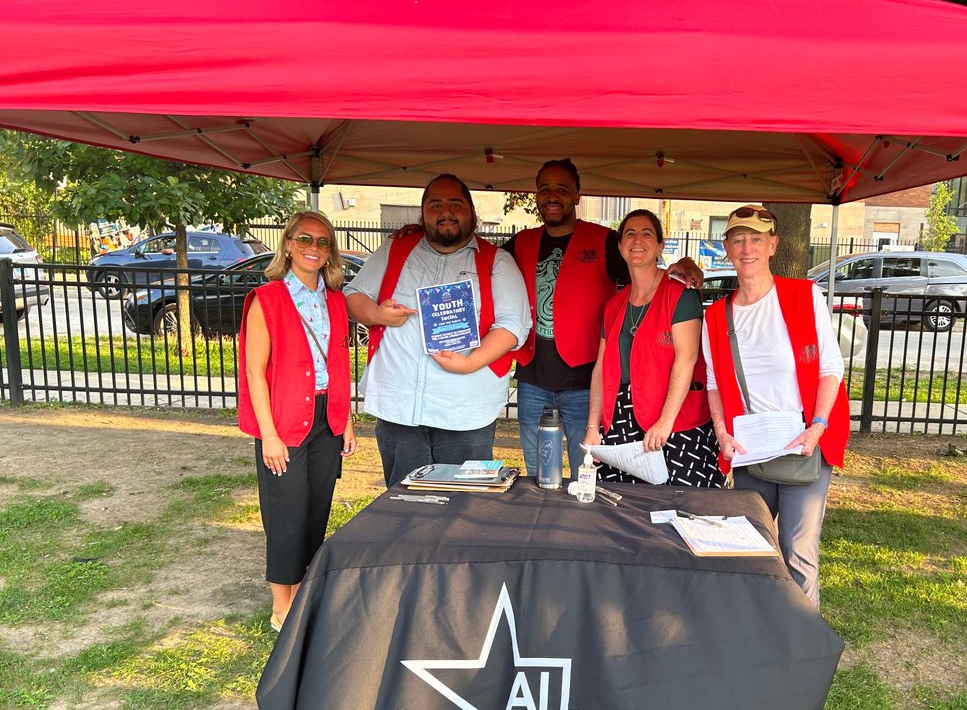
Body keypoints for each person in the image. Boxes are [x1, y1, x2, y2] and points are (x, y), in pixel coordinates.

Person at [504, 159, 702, 479]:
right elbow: (481, 263)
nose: (552, 196)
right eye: (544, 189)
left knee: (585, 473)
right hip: (532, 378)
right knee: (537, 474)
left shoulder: (605, 240)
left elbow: (644, 264)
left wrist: (686, 263)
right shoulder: (520, 242)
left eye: (562, 189)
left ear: (577, 195)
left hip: (584, 383)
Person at [701, 205, 850, 607]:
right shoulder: (715, 317)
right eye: (737, 239)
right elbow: (714, 382)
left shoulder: (804, 296)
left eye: (755, 239)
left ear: (772, 245)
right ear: (727, 249)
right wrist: (721, 432)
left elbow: (830, 367)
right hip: (752, 449)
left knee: (798, 551)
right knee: (753, 546)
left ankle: (801, 644)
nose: (746, 248)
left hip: (804, 443)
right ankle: (761, 630)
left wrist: (817, 425)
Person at [346, 174, 531, 487]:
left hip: (466, 412)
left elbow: (513, 326)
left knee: (463, 508)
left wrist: (469, 363)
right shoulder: (396, 249)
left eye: (455, 204)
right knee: (402, 504)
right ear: (422, 214)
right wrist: (378, 314)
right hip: (400, 408)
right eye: (435, 204)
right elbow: (353, 295)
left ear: (472, 212)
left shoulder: (496, 261)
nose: (446, 211)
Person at [237, 210, 357, 632]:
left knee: (316, 506)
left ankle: (305, 588)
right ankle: (281, 605)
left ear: (330, 253)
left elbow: (340, 361)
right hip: (284, 419)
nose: (313, 248)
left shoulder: (336, 300)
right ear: (287, 244)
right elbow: (254, 371)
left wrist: (346, 421)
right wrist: (268, 434)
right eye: (304, 239)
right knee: (286, 509)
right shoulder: (267, 299)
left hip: (327, 418)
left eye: (323, 242)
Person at [584, 210, 721, 487]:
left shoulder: (681, 294)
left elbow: (687, 358)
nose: (638, 240)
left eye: (647, 233)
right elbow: (601, 369)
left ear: (660, 245)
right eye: (630, 234)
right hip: (622, 419)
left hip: (675, 419)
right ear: (621, 246)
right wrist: (592, 427)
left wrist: (665, 421)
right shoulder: (613, 305)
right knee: (623, 510)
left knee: (682, 510)